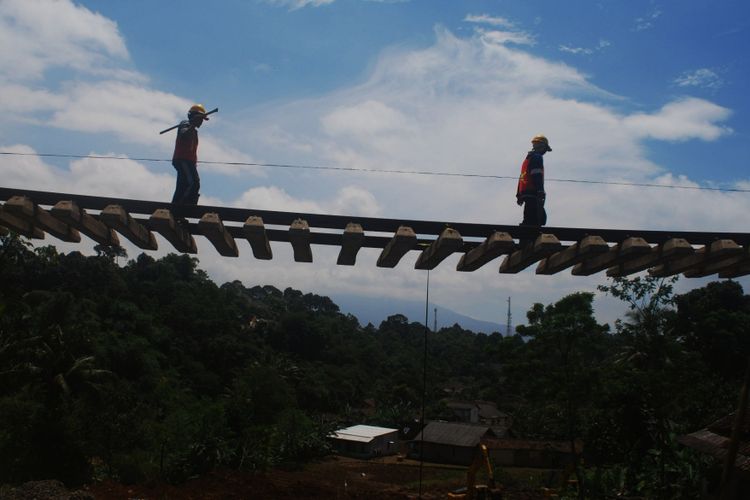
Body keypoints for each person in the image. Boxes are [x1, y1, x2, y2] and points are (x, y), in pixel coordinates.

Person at [171, 104, 210, 206]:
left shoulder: (193, 130)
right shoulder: (185, 124)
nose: (201, 122)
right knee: (194, 183)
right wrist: (192, 124)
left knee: (182, 185)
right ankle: (183, 207)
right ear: (193, 117)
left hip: (187, 161)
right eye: (200, 119)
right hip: (183, 160)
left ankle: (175, 207)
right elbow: (184, 135)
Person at [516, 134, 552, 228]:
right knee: (536, 218)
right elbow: (537, 174)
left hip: (525, 192)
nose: (545, 152)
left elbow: (521, 177)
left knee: (529, 215)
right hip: (533, 191)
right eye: (545, 149)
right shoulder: (537, 157)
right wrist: (540, 190)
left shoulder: (527, 159)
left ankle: (526, 232)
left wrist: (518, 194)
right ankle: (528, 236)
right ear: (541, 146)